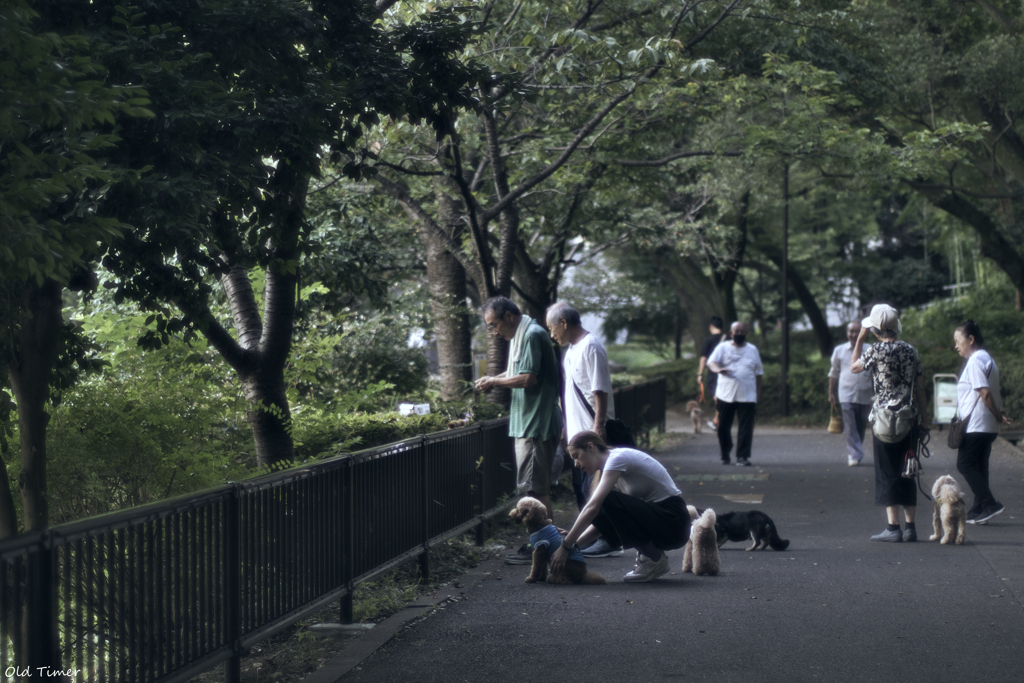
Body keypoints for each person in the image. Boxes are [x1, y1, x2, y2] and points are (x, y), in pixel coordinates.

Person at [475, 297, 562, 563]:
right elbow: (517, 371)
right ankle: (545, 544)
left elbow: (528, 378)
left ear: (509, 317)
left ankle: (545, 546)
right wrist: (494, 379)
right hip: (529, 422)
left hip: (535, 424)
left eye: (494, 324)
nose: (494, 331)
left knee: (535, 491)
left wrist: (495, 382)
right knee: (534, 488)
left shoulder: (532, 334)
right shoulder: (522, 334)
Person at [549, 431, 690, 583]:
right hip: (663, 523)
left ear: (591, 447)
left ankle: (654, 558)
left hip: (674, 521)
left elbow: (593, 507)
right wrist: (574, 543)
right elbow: (607, 521)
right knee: (605, 504)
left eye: (576, 456)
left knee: (603, 501)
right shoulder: (613, 470)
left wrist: (566, 545)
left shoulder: (617, 458)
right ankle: (651, 555)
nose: (576, 464)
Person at [546, 301, 624, 558]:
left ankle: (610, 538)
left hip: (592, 433)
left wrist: (598, 426)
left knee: (598, 491)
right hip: (578, 435)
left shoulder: (591, 346)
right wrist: (567, 426)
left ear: (564, 323)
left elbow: (599, 390)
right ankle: (593, 538)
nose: (551, 333)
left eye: (551, 327)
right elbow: (572, 392)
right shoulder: (571, 351)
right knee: (583, 489)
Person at [851, 303, 927, 542]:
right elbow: (921, 388)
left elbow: (854, 367)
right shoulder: (911, 351)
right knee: (908, 469)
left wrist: (860, 338)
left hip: (883, 420)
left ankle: (893, 528)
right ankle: (911, 528)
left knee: (887, 472)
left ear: (875, 330)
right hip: (910, 418)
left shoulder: (875, 351)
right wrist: (925, 419)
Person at [953, 319, 1011, 525]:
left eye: (958, 340)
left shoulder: (976, 360)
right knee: (979, 465)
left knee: (965, 463)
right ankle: (980, 509)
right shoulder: (988, 359)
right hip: (986, 426)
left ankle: (990, 503)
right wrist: (998, 415)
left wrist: (996, 413)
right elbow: (993, 391)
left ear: (971, 339)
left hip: (976, 424)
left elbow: (985, 393)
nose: (956, 345)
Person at [707, 321, 763, 466]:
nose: (739, 334)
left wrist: (758, 392)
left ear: (747, 333)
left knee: (746, 427)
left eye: (742, 332)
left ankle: (742, 456)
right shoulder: (722, 347)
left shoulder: (752, 349)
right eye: (736, 332)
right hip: (725, 394)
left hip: (748, 394)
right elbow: (711, 362)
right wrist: (718, 370)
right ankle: (725, 452)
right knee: (723, 426)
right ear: (731, 333)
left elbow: (759, 373)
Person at [829, 321, 875, 467]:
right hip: (846, 394)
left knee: (861, 425)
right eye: (851, 331)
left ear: (863, 332)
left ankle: (856, 451)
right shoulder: (839, 350)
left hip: (865, 394)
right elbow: (834, 372)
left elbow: (876, 372)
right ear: (847, 333)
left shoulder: (870, 350)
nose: (853, 334)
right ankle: (854, 454)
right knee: (850, 426)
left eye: (857, 331)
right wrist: (831, 392)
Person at [697, 316, 726, 431]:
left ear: (711, 327)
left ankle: (717, 421)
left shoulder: (708, 340)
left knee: (717, 397)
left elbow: (703, 359)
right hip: (726, 371)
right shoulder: (728, 339)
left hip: (713, 372)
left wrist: (700, 374)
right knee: (722, 396)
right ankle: (717, 419)